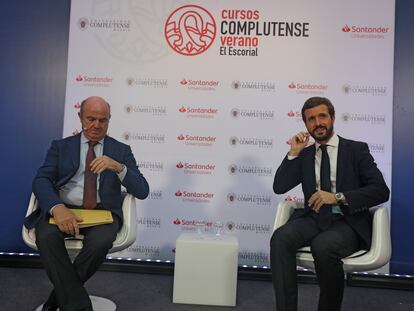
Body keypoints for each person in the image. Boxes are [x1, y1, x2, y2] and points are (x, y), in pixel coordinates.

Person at [24, 96, 149, 311]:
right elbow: (41, 180)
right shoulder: (61, 147)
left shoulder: (121, 151)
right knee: (46, 236)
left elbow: (142, 191)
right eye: (91, 119)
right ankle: (79, 307)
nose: (96, 126)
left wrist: (119, 168)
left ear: (109, 120)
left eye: (103, 120)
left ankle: (56, 300)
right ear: (80, 117)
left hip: (102, 214)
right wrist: (58, 208)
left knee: (101, 241)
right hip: (63, 209)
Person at [270, 97, 389, 311]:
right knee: (280, 238)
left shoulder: (356, 150)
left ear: (332, 117)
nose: (318, 123)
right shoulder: (305, 155)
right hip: (314, 218)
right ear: (306, 124)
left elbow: (381, 190)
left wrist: (338, 197)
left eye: (322, 116)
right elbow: (279, 186)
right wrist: (293, 153)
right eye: (311, 119)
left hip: (347, 221)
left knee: (323, 246)